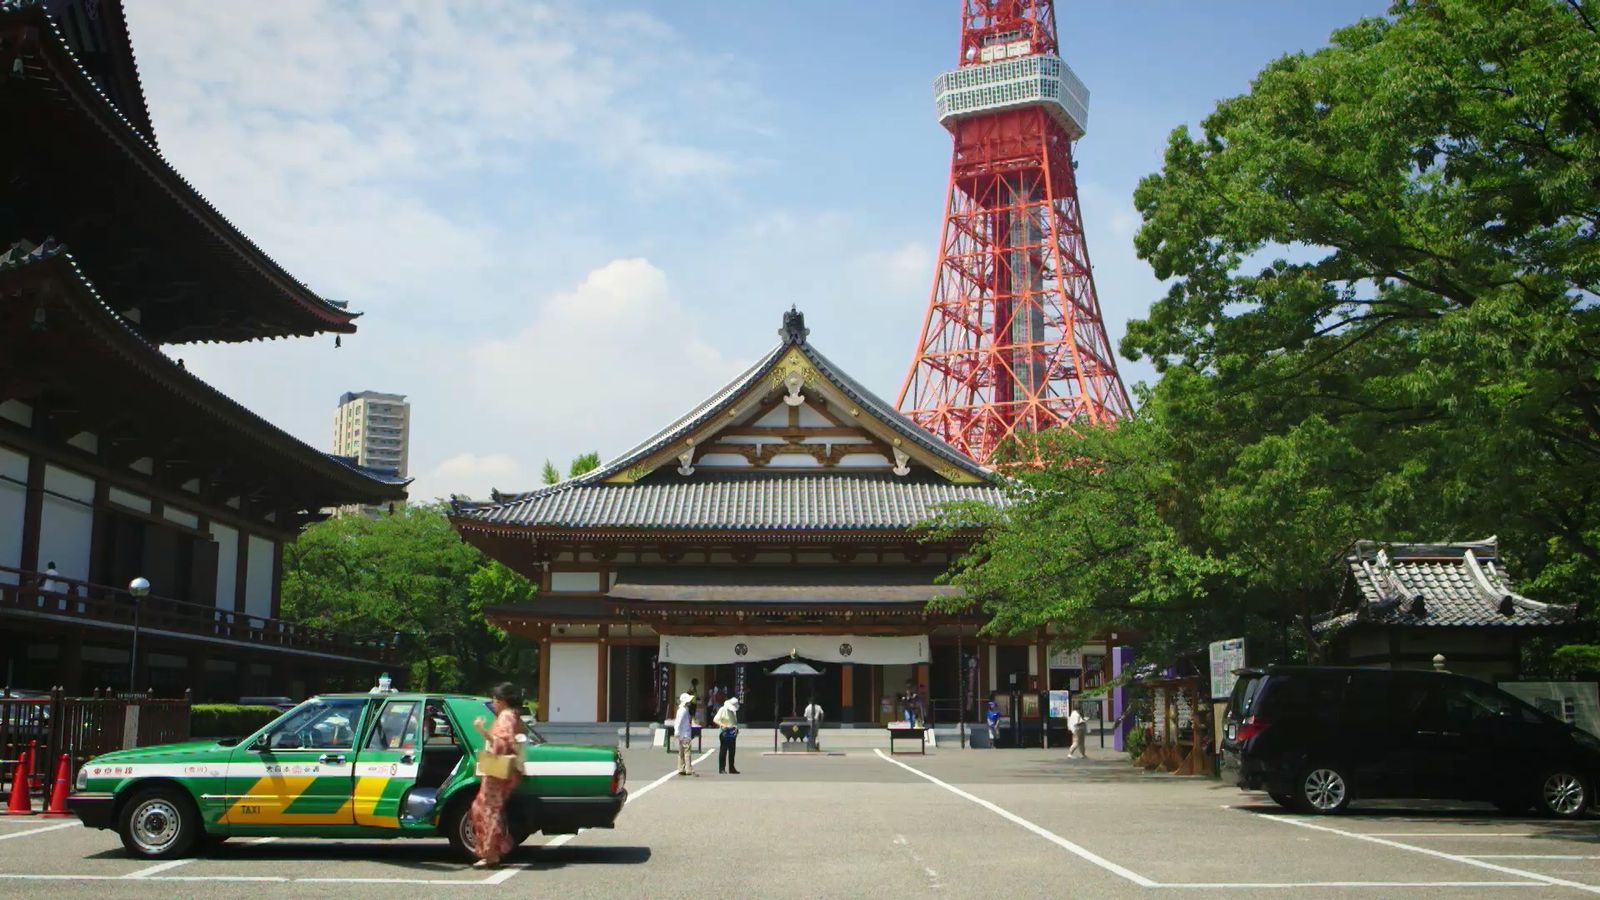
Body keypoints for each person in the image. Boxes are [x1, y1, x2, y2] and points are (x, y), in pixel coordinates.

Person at [469, 683, 525, 868]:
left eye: (495, 699)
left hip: (497, 772)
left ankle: (491, 853)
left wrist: (481, 730)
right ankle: (492, 851)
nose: (493, 703)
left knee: (487, 810)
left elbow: (501, 743)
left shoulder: (505, 716)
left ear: (501, 700)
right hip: (498, 771)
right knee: (486, 809)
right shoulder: (510, 715)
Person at [714, 695, 741, 774]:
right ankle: (722, 768)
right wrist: (722, 725)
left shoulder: (734, 712)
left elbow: (734, 722)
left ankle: (732, 768)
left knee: (732, 751)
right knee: (723, 750)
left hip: (732, 732)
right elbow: (715, 719)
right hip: (724, 732)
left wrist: (736, 729)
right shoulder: (723, 709)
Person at [674, 692, 699, 776]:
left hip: (682, 735)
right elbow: (678, 722)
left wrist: (677, 732)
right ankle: (688, 769)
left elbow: (678, 722)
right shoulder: (684, 710)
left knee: (681, 752)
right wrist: (676, 731)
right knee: (687, 752)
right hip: (685, 734)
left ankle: (681, 768)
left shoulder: (681, 709)